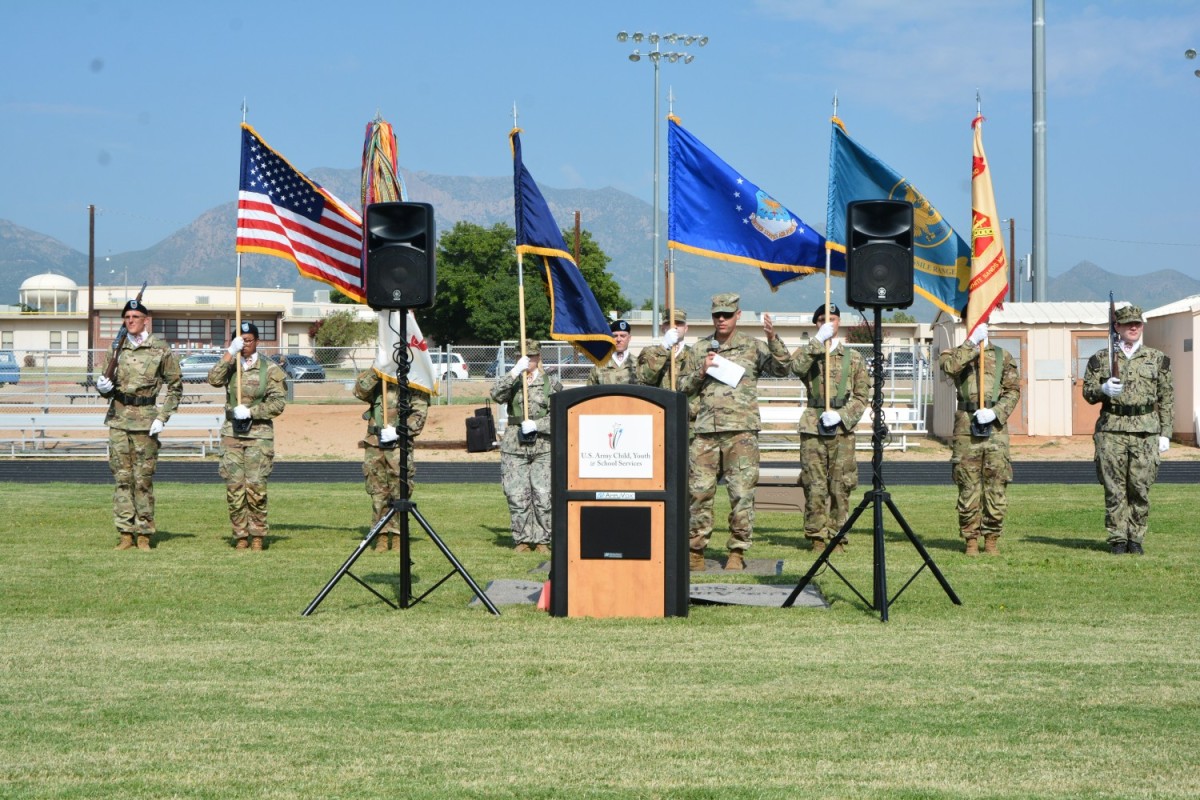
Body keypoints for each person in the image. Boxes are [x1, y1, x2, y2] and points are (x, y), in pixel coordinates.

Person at [677, 293, 789, 571]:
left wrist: (774, 338)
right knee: (699, 493)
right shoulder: (699, 349)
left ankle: (737, 551)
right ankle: (695, 551)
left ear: (738, 315)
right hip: (705, 432)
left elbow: (783, 368)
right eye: (718, 315)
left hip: (741, 432)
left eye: (727, 314)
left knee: (741, 494)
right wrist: (700, 372)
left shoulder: (753, 347)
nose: (722, 319)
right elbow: (681, 387)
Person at [1082, 305, 1174, 555]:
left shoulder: (1157, 358)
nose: (1134, 327)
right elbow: (1087, 393)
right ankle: (1118, 539)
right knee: (1114, 488)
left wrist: (1166, 433)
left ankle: (1136, 538)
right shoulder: (1100, 359)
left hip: (1145, 430)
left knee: (1140, 488)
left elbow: (1166, 398)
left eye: (1138, 323)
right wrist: (1102, 389)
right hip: (1112, 430)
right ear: (1117, 327)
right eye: (1127, 323)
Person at [94, 299, 183, 551]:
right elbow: (106, 385)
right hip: (119, 421)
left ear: (146, 320)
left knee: (142, 480)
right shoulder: (116, 349)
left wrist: (162, 417)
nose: (130, 320)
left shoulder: (160, 349)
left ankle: (144, 533)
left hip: (146, 421)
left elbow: (175, 387)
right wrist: (102, 388)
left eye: (135, 316)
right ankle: (125, 533)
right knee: (122, 480)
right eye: (126, 317)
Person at [788, 303, 870, 552]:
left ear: (839, 322)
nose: (828, 323)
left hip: (841, 429)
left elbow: (861, 396)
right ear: (816, 324)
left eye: (832, 319)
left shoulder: (853, 358)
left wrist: (842, 416)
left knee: (840, 484)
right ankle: (816, 536)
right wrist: (816, 342)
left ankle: (837, 536)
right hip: (813, 426)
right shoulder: (808, 353)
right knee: (814, 484)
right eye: (822, 319)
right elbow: (796, 368)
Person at [937, 320, 1021, 555]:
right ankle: (971, 539)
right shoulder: (953, 353)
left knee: (996, 485)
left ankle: (992, 538)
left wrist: (996, 412)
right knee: (968, 485)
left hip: (994, 428)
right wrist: (972, 344)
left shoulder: (1003, 356)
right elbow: (950, 368)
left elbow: (1013, 390)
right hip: (966, 426)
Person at [206, 322, 288, 550]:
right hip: (232, 434)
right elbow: (213, 379)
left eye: (249, 340)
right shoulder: (231, 366)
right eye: (241, 341)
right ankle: (240, 535)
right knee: (234, 488)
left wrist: (251, 411)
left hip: (258, 435)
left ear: (257, 342)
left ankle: (258, 536)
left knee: (256, 487)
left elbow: (278, 403)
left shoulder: (270, 369)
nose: (245, 345)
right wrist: (230, 353)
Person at [491, 340, 563, 553]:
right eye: (523, 357)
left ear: (539, 357)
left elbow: (561, 414)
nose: (528, 360)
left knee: (543, 494)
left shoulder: (551, 383)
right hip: (514, 445)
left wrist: (538, 425)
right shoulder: (513, 380)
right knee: (516, 493)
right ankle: (522, 538)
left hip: (543, 446)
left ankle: (542, 539)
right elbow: (495, 394)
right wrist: (514, 372)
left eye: (531, 357)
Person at [353, 366, 430, 552]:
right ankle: (379, 534)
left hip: (399, 444)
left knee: (399, 490)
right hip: (374, 443)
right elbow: (359, 391)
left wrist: (398, 431)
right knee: (377, 492)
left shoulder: (415, 380)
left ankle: (397, 535)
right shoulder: (378, 378)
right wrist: (376, 370)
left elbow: (419, 415)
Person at [636, 309, 691, 389]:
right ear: (662, 328)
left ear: (686, 328)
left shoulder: (694, 353)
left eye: (679, 323)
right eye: (669, 323)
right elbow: (645, 378)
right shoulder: (649, 352)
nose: (674, 327)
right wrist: (664, 347)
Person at [586, 319, 637, 385]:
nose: (618, 339)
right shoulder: (600, 366)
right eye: (615, 336)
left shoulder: (638, 365)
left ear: (629, 338)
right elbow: (590, 392)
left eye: (623, 336)